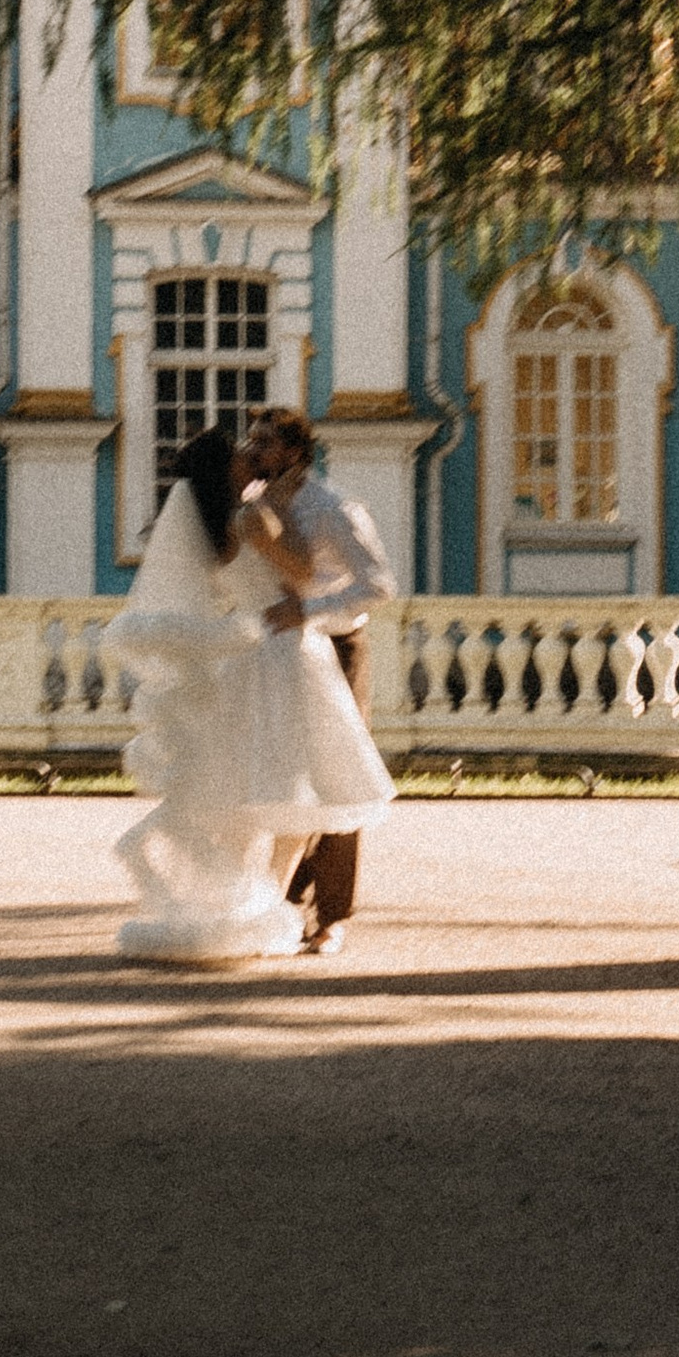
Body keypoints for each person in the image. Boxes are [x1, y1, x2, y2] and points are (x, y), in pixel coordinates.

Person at [101, 424, 393, 964]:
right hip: (289, 656)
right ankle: (271, 915)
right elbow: (303, 576)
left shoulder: (212, 527)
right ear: (227, 469)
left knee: (250, 793)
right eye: (242, 453)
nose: (251, 458)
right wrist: (279, 507)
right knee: (298, 794)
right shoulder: (255, 516)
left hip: (247, 660)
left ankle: (251, 906)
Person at [236, 405, 396, 955]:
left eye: (265, 441)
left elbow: (379, 584)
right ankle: (282, 904)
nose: (253, 449)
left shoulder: (335, 509)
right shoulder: (256, 504)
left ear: (295, 452)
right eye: (251, 439)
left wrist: (312, 612)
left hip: (338, 646)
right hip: (281, 653)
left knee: (336, 777)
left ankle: (331, 918)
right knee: (286, 777)